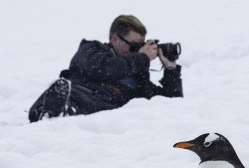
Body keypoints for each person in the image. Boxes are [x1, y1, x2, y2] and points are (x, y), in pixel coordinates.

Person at [28, 14, 182, 122]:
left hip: (103, 113)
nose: (137, 50)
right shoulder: (90, 49)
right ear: (114, 39)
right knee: (67, 98)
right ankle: (52, 112)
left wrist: (171, 69)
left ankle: (57, 116)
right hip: (77, 97)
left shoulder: (138, 76)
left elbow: (169, 103)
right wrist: (142, 58)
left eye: (141, 45)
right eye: (134, 45)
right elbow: (104, 68)